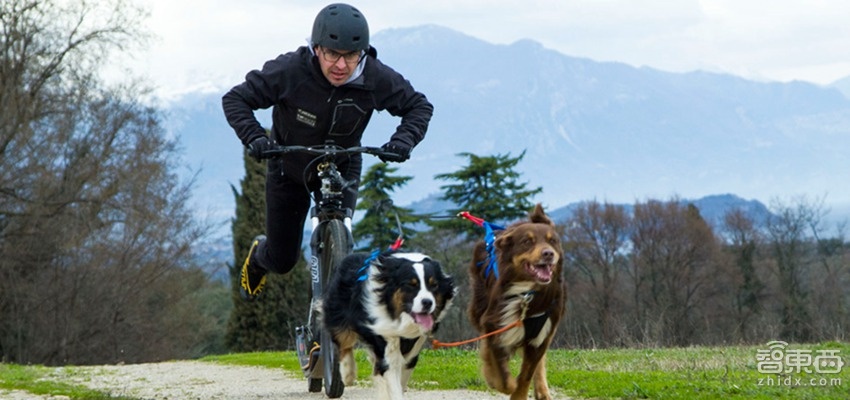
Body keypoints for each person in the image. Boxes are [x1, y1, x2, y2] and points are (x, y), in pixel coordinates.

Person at [222, 3, 433, 301]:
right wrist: (255, 137)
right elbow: (235, 99)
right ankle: (260, 255)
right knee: (283, 260)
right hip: (289, 168)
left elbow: (419, 107)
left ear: (363, 53)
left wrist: (403, 141)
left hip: (342, 166)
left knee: (340, 242)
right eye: (333, 54)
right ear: (316, 48)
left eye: (351, 56)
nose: (341, 66)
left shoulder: (375, 77)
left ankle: (327, 329)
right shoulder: (290, 71)